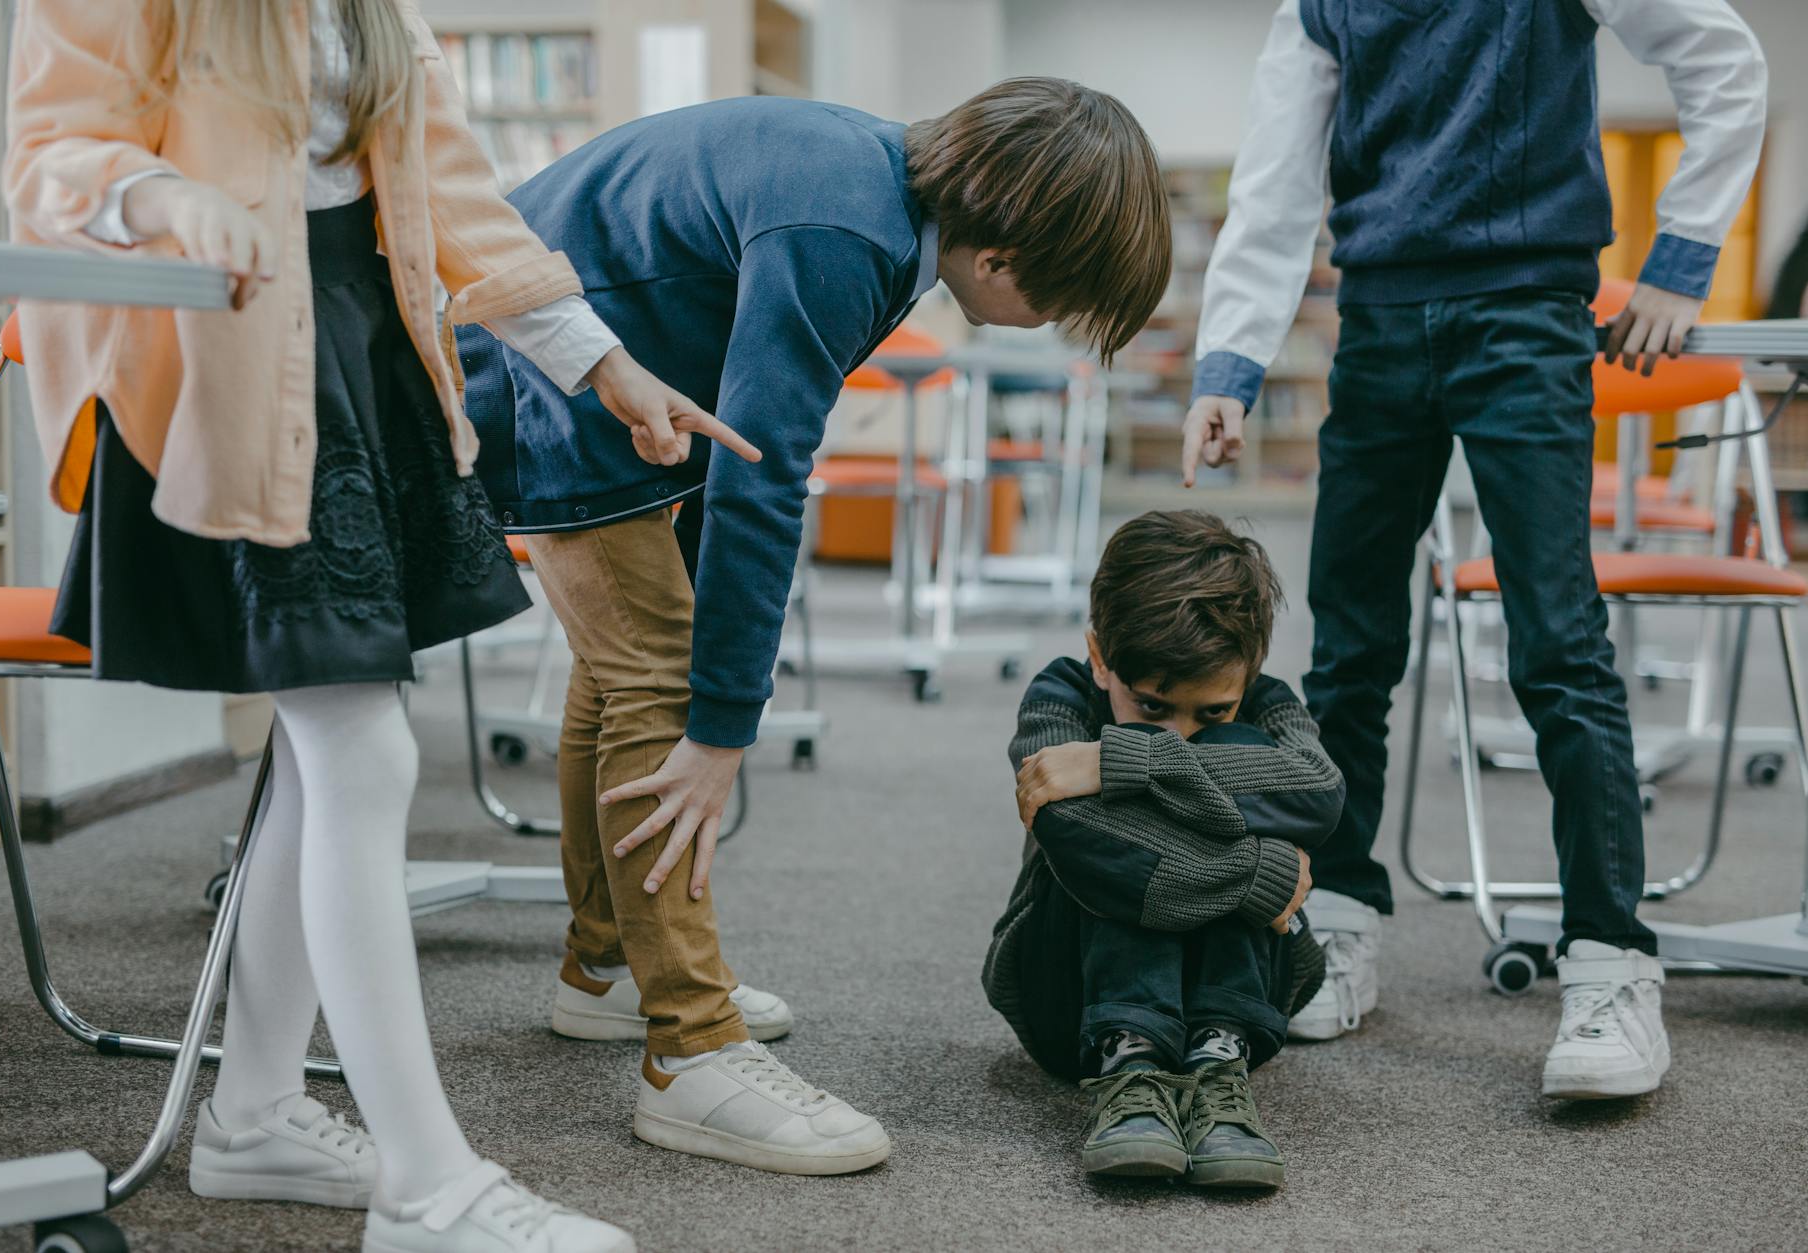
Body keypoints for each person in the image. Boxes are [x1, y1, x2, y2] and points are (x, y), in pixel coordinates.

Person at [6, 2, 753, 1248]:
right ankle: (426, 1186)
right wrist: (159, 198)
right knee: (359, 752)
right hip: (229, 349)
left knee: (327, 755)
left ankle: (251, 1113)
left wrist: (602, 365)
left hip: (360, 339)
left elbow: (448, 189)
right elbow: (52, 152)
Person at [457, 80, 1173, 1175]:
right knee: (654, 677)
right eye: (1063, 303)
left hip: (586, 363)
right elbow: (764, 471)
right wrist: (722, 727)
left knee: (622, 671)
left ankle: (602, 968)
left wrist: (716, 688)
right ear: (1002, 260)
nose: (1057, 328)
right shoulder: (845, 229)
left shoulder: (873, 188)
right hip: (536, 367)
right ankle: (688, 1049)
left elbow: (736, 433)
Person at [1182, 0, 1767, 1097]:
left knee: (1558, 644)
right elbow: (1271, 180)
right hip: (1379, 327)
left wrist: (1681, 255)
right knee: (1348, 650)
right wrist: (1227, 365)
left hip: (1525, 318)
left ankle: (1607, 957)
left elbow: (1725, 60)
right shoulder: (1319, 7)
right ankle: (1340, 917)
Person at [984, 510, 1338, 1187]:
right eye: (1151, 707)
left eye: (1211, 709)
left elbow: (1319, 791)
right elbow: (1078, 837)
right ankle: (1132, 1060)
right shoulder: (1059, 694)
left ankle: (1216, 1059)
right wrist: (1257, 871)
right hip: (1072, 1003)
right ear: (1099, 657)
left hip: (1241, 1004)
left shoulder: (1265, 702)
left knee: (1232, 755)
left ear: (1251, 668)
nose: (1182, 730)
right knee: (1103, 835)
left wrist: (1132, 760)